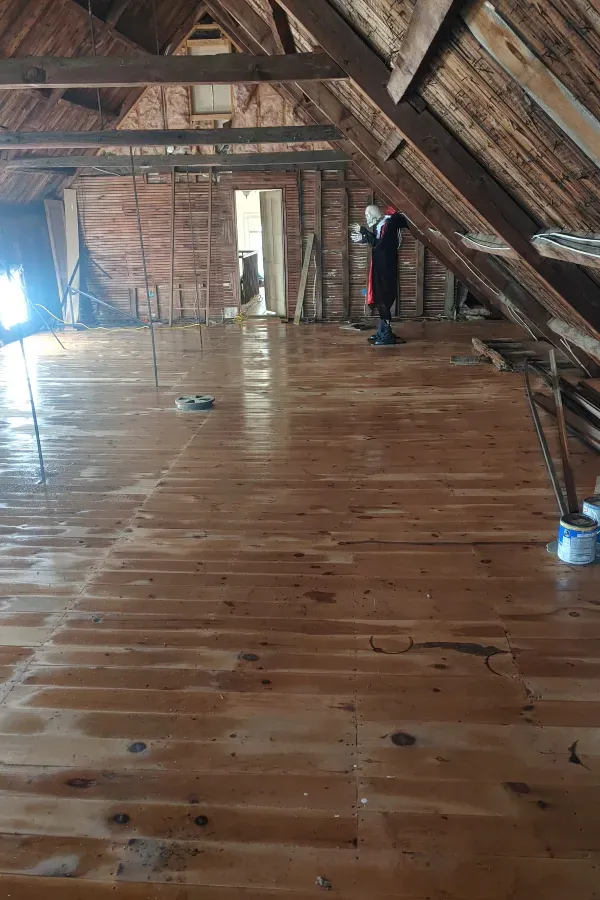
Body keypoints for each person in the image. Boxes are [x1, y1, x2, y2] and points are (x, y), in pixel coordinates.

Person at [350, 205, 410, 346]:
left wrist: (364, 235)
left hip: (385, 270)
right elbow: (378, 242)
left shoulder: (388, 226)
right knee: (379, 297)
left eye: (368, 214)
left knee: (383, 299)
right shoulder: (382, 225)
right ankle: (382, 331)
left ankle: (386, 334)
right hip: (380, 268)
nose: (366, 217)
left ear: (375, 214)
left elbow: (382, 246)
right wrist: (364, 235)